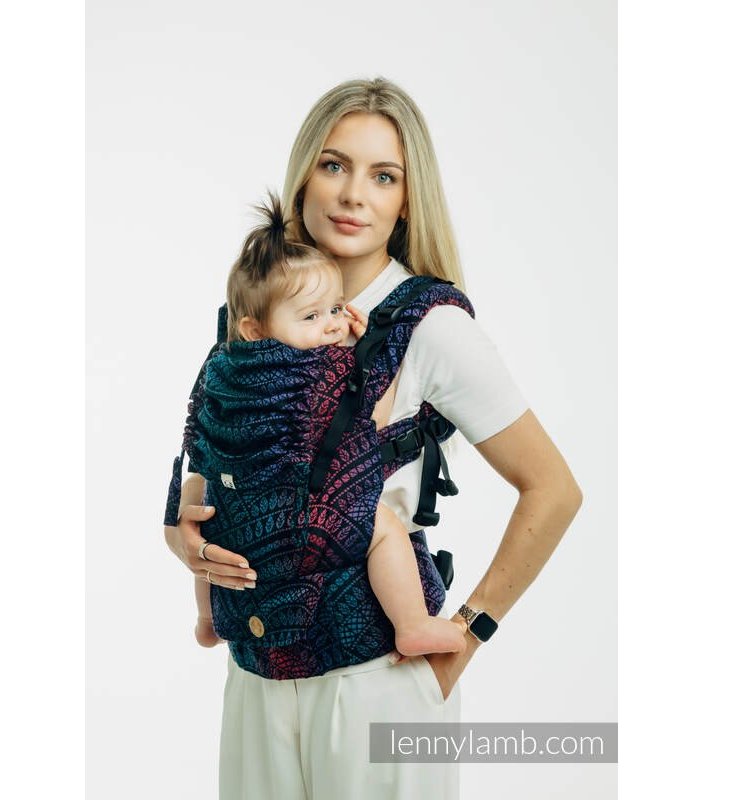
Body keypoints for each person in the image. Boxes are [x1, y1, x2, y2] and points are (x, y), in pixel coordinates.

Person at [164, 77, 583, 800]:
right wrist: (183, 537)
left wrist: (468, 635)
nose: (354, 194)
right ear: (303, 178)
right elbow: (206, 454)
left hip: (377, 681)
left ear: (407, 200)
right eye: (334, 165)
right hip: (257, 673)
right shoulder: (257, 305)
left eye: (383, 176)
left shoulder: (432, 325)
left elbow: (553, 490)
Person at [192, 193, 466, 660]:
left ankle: (207, 619)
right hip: (305, 517)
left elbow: (200, 435)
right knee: (383, 526)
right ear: (256, 329)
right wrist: (362, 352)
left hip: (242, 513)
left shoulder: (222, 367)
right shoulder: (320, 369)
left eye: (336, 308)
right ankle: (413, 623)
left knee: (212, 527)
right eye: (311, 316)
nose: (331, 324)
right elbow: (369, 411)